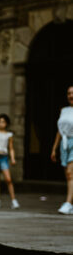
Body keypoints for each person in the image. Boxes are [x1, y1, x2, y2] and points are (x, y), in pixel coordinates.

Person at [51, 85, 73, 214]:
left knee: (70, 174)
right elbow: (59, 131)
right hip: (64, 143)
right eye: (69, 93)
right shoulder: (63, 110)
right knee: (68, 175)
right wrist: (54, 149)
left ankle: (68, 202)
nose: (71, 95)